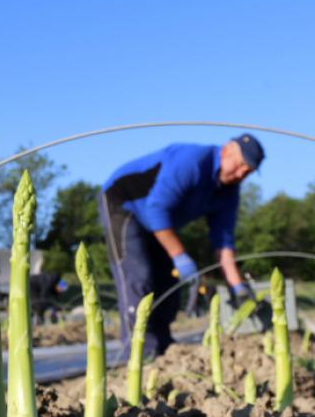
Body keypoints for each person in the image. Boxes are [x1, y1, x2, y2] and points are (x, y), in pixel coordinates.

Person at [97, 133, 265, 356]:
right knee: (139, 276)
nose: (242, 173)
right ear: (226, 150)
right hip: (123, 204)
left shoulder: (228, 194)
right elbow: (157, 209)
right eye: (241, 164)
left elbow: (223, 243)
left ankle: (164, 347)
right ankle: (139, 354)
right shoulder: (193, 161)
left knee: (168, 279)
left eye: (249, 172)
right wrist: (181, 256)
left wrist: (238, 287)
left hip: (159, 223)